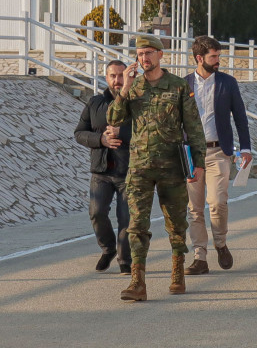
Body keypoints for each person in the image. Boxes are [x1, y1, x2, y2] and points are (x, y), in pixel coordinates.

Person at [107, 35, 206, 302]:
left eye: (149, 53)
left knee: (176, 223)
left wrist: (197, 164)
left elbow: (193, 128)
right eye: (139, 54)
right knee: (136, 225)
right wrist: (124, 89)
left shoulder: (177, 86)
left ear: (161, 55)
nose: (144, 58)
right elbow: (114, 119)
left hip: (172, 167)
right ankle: (137, 281)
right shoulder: (134, 87)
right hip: (139, 167)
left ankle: (177, 271)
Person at [183, 35, 253, 275]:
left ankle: (220, 243)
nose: (218, 61)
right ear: (199, 58)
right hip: (191, 154)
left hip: (218, 152)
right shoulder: (184, 85)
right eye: (214, 57)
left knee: (217, 202)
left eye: (219, 56)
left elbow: (240, 117)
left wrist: (245, 148)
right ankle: (199, 257)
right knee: (194, 208)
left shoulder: (227, 83)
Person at [74, 59, 134, 273]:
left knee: (126, 218)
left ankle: (125, 261)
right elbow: (79, 133)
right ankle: (108, 248)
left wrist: (122, 134)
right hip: (101, 171)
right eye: (113, 76)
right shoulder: (95, 103)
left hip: (129, 172)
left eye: (121, 75)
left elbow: (147, 132)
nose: (117, 80)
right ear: (106, 78)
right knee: (97, 212)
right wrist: (101, 139)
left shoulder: (136, 102)